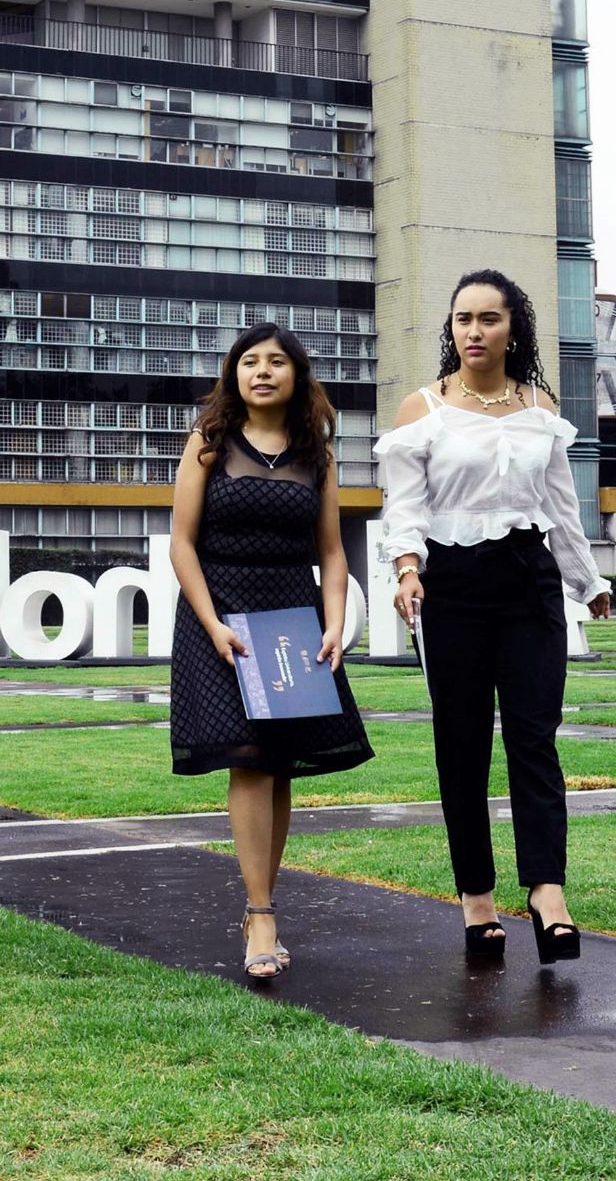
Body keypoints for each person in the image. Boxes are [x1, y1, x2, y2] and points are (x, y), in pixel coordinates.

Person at [374, 269, 611, 965]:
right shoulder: (422, 411)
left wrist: (586, 579)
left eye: (488, 319)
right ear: (450, 331)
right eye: (462, 320)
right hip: (451, 586)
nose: (474, 332)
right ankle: (477, 902)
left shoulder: (541, 405)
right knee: (464, 745)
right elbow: (405, 508)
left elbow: (562, 508)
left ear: (514, 328)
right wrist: (408, 570)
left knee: (535, 738)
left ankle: (547, 893)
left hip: (529, 582)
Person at [170, 323, 373, 979]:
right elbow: (181, 541)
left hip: (290, 615)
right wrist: (211, 622)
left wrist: (335, 623)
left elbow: (334, 552)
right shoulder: (208, 441)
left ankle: (264, 902)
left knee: (278, 763)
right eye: (249, 362)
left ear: (297, 374)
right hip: (219, 617)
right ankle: (260, 915)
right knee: (247, 758)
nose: (262, 371)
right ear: (234, 375)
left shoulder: (318, 453)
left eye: (276, 362)